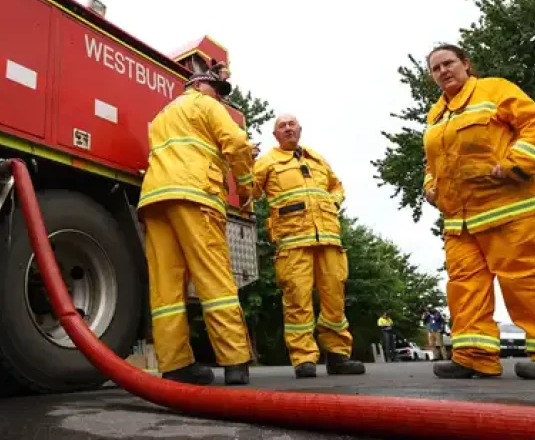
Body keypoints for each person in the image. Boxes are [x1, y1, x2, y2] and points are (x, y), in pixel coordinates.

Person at [421, 43, 535, 380]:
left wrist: (518, 164)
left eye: (448, 63)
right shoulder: (435, 114)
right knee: (465, 285)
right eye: (436, 69)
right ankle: (474, 355)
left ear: (466, 63)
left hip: (510, 207)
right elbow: (432, 162)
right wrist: (429, 187)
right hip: (460, 219)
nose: (443, 71)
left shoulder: (496, 89)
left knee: (525, 277)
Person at [138, 68, 257, 386]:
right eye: (217, 89)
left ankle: (175, 365)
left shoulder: (163, 114)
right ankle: (234, 361)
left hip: (155, 198)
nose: (220, 95)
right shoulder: (207, 105)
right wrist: (246, 188)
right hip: (195, 195)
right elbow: (236, 141)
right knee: (213, 278)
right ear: (198, 85)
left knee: (166, 288)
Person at [254, 114, 366, 378]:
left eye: (292, 124)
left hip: (328, 239)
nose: (288, 128)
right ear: (275, 135)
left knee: (335, 299)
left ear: (300, 129)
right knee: (297, 300)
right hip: (293, 243)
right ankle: (303, 358)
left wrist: (334, 203)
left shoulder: (316, 159)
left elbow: (337, 186)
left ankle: (338, 355)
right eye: (282, 126)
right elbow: (250, 191)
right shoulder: (266, 162)